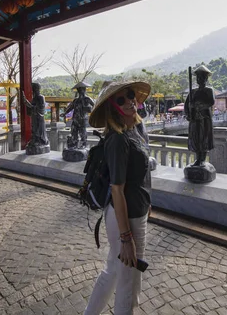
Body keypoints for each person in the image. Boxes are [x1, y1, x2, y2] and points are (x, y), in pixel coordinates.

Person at [84, 80, 152, 315]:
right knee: (127, 282)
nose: (130, 100)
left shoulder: (134, 132)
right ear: (113, 106)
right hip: (126, 217)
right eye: (121, 99)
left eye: (131, 95)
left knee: (113, 270)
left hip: (136, 211)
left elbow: (141, 179)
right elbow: (117, 189)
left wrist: (148, 205)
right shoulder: (118, 140)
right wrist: (126, 238)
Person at [184, 65, 215, 166]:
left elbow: (211, 102)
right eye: (198, 77)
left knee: (204, 138)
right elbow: (186, 105)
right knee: (196, 137)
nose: (200, 79)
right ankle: (198, 158)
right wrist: (188, 113)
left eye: (202, 77)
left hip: (204, 119)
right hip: (195, 119)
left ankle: (202, 159)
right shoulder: (192, 92)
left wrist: (198, 106)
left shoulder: (209, 90)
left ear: (206, 78)